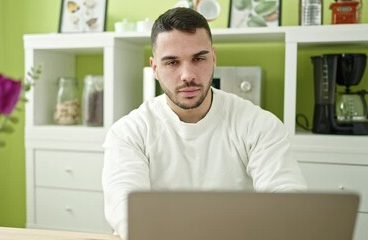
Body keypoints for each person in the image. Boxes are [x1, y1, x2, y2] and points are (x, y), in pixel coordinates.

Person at [102, 7, 307, 240]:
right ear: (155, 68)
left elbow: (288, 202)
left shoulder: (259, 125)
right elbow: (126, 212)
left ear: (214, 58)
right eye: (172, 62)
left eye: (198, 59)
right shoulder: (128, 133)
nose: (187, 74)